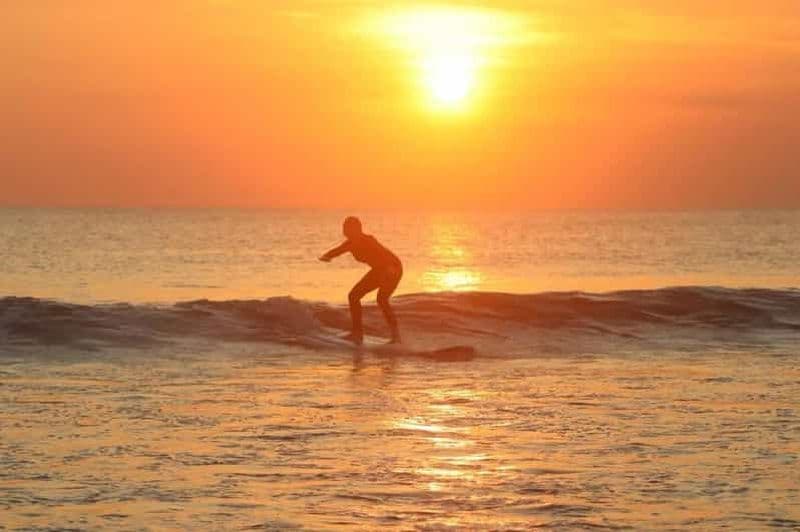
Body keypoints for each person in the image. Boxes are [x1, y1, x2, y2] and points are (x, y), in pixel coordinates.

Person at [319, 216, 403, 345]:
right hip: (379, 270)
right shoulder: (350, 244)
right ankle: (357, 334)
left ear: (357, 229)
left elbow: (383, 254)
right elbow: (337, 251)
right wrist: (326, 256)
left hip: (392, 268)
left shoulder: (368, 240)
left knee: (382, 299)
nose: (345, 231)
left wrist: (390, 269)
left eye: (348, 228)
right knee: (354, 296)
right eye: (344, 228)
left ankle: (396, 337)